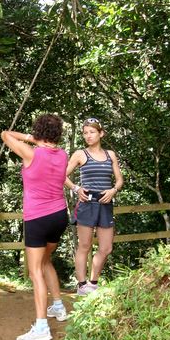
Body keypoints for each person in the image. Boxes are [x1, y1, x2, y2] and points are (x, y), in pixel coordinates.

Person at [1, 114, 69, 340]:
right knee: (45, 261)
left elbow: (5, 135)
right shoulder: (63, 155)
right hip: (59, 216)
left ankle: (41, 326)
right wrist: (39, 139)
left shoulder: (32, 152)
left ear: (38, 131)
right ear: (57, 133)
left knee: (34, 272)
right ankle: (58, 306)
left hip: (38, 218)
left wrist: (31, 138)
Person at [65, 117, 123, 295]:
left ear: (101, 133)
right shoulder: (80, 154)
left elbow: (120, 180)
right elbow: (62, 175)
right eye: (85, 133)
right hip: (87, 203)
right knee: (84, 245)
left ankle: (93, 284)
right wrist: (76, 188)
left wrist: (113, 190)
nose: (88, 136)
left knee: (106, 248)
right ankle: (82, 285)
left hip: (105, 203)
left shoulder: (110, 154)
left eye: (92, 132)